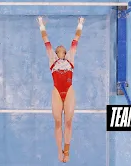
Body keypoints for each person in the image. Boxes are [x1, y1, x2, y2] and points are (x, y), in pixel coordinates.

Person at [37, 16, 85, 163]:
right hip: (57, 91)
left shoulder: (70, 57)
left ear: (64, 52)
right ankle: (59, 151)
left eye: (63, 47)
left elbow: (76, 40)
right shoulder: (52, 58)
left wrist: (80, 24)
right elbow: (46, 42)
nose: (61, 46)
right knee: (58, 122)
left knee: (68, 122)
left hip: (69, 90)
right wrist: (41, 24)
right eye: (59, 47)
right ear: (58, 52)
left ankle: (67, 150)